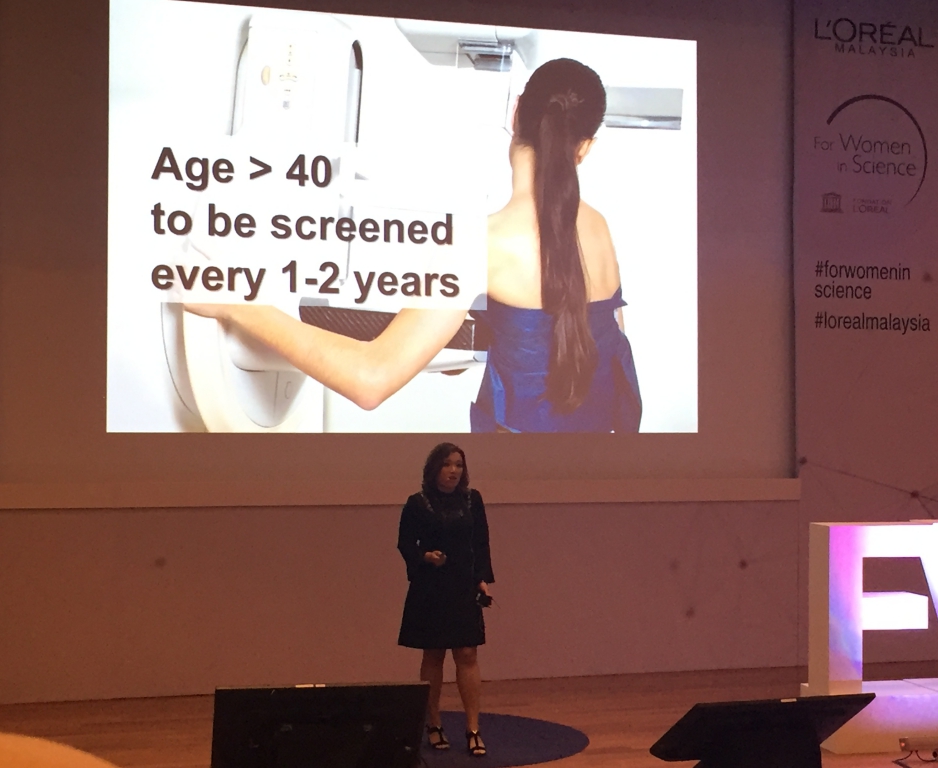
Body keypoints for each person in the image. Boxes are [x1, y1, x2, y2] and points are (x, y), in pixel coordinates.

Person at [186, 58, 641, 431]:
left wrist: (239, 306)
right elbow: (586, 347)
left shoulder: (482, 243)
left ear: (516, 112)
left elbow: (371, 380)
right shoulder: (600, 229)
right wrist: (481, 340)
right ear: (585, 147)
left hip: (516, 489)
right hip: (594, 479)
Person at [397, 443, 493, 756]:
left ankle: (473, 727)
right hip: (431, 586)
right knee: (434, 655)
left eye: (459, 465)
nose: (453, 471)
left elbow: (480, 542)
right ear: (434, 468)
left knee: (467, 653)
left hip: (463, 584)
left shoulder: (472, 499)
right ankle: (434, 722)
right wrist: (425, 556)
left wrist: (482, 579)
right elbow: (404, 544)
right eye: (447, 465)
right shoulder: (418, 503)